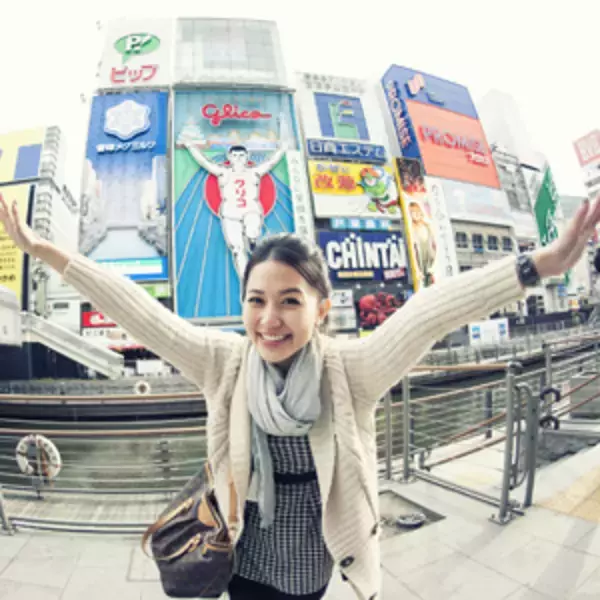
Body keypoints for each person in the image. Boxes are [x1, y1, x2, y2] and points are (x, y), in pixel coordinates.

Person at [1, 193, 598, 600]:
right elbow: (137, 309)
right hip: (239, 552)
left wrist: (536, 267)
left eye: (290, 301)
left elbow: (427, 314)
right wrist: (45, 251)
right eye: (257, 300)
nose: (270, 319)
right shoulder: (224, 362)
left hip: (313, 561)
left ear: (320, 308)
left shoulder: (351, 371)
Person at [179, 133, 286, 279]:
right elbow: (204, 162)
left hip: (250, 210)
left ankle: (252, 240)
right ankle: (246, 278)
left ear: (247, 157)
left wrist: (282, 149)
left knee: (252, 231)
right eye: (235, 155)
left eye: (241, 155)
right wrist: (191, 146)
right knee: (237, 249)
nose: (238, 158)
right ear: (229, 157)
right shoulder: (223, 173)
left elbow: (271, 163)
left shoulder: (254, 172)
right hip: (230, 214)